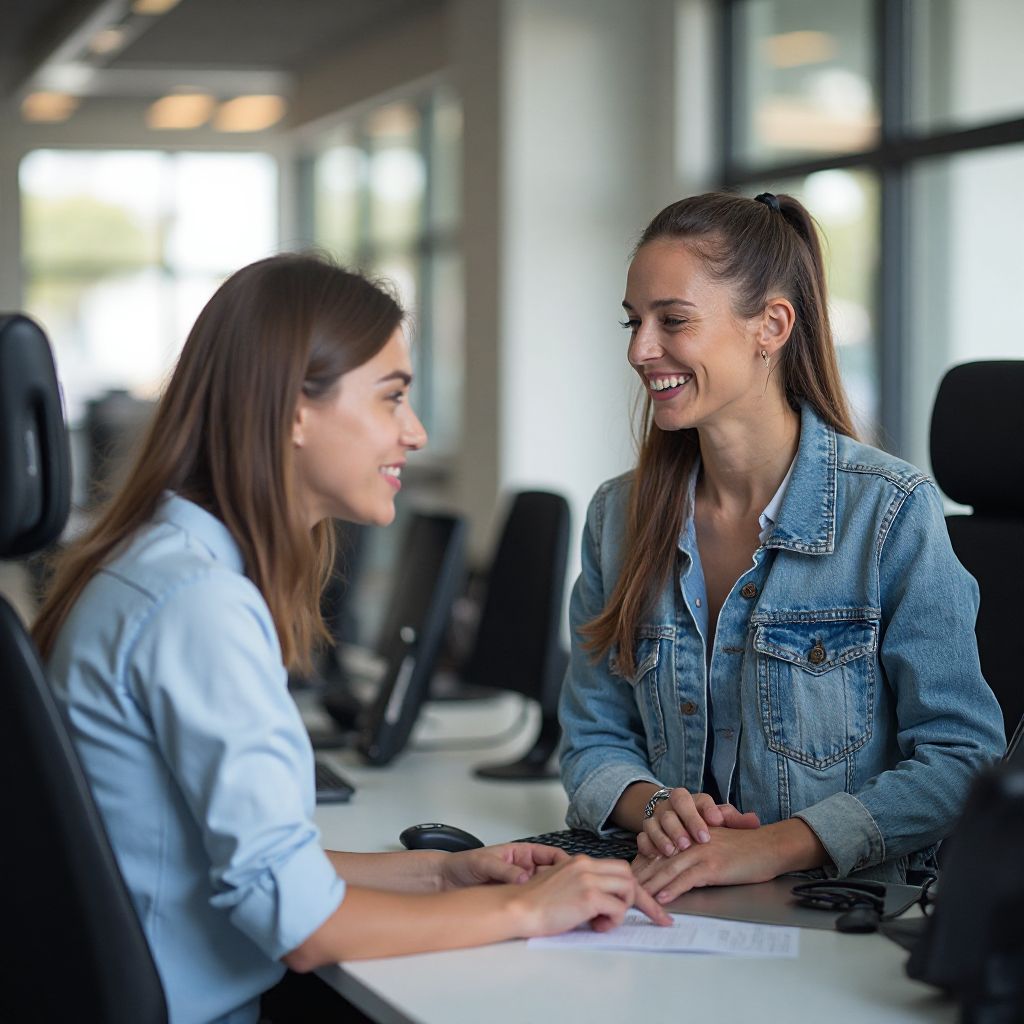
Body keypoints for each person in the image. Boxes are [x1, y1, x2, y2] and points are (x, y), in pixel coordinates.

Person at [33, 253, 668, 1024]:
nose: (416, 430)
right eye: (392, 397)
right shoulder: (199, 605)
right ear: (293, 410)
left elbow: (248, 867)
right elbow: (300, 925)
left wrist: (442, 872)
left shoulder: (158, 566)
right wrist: (529, 911)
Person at [557, 191, 1005, 907]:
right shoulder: (620, 514)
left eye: (672, 320)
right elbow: (590, 735)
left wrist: (772, 846)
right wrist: (651, 805)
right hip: (670, 901)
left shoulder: (889, 513)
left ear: (771, 325)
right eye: (633, 322)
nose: (640, 350)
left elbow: (963, 760)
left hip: (833, 912)